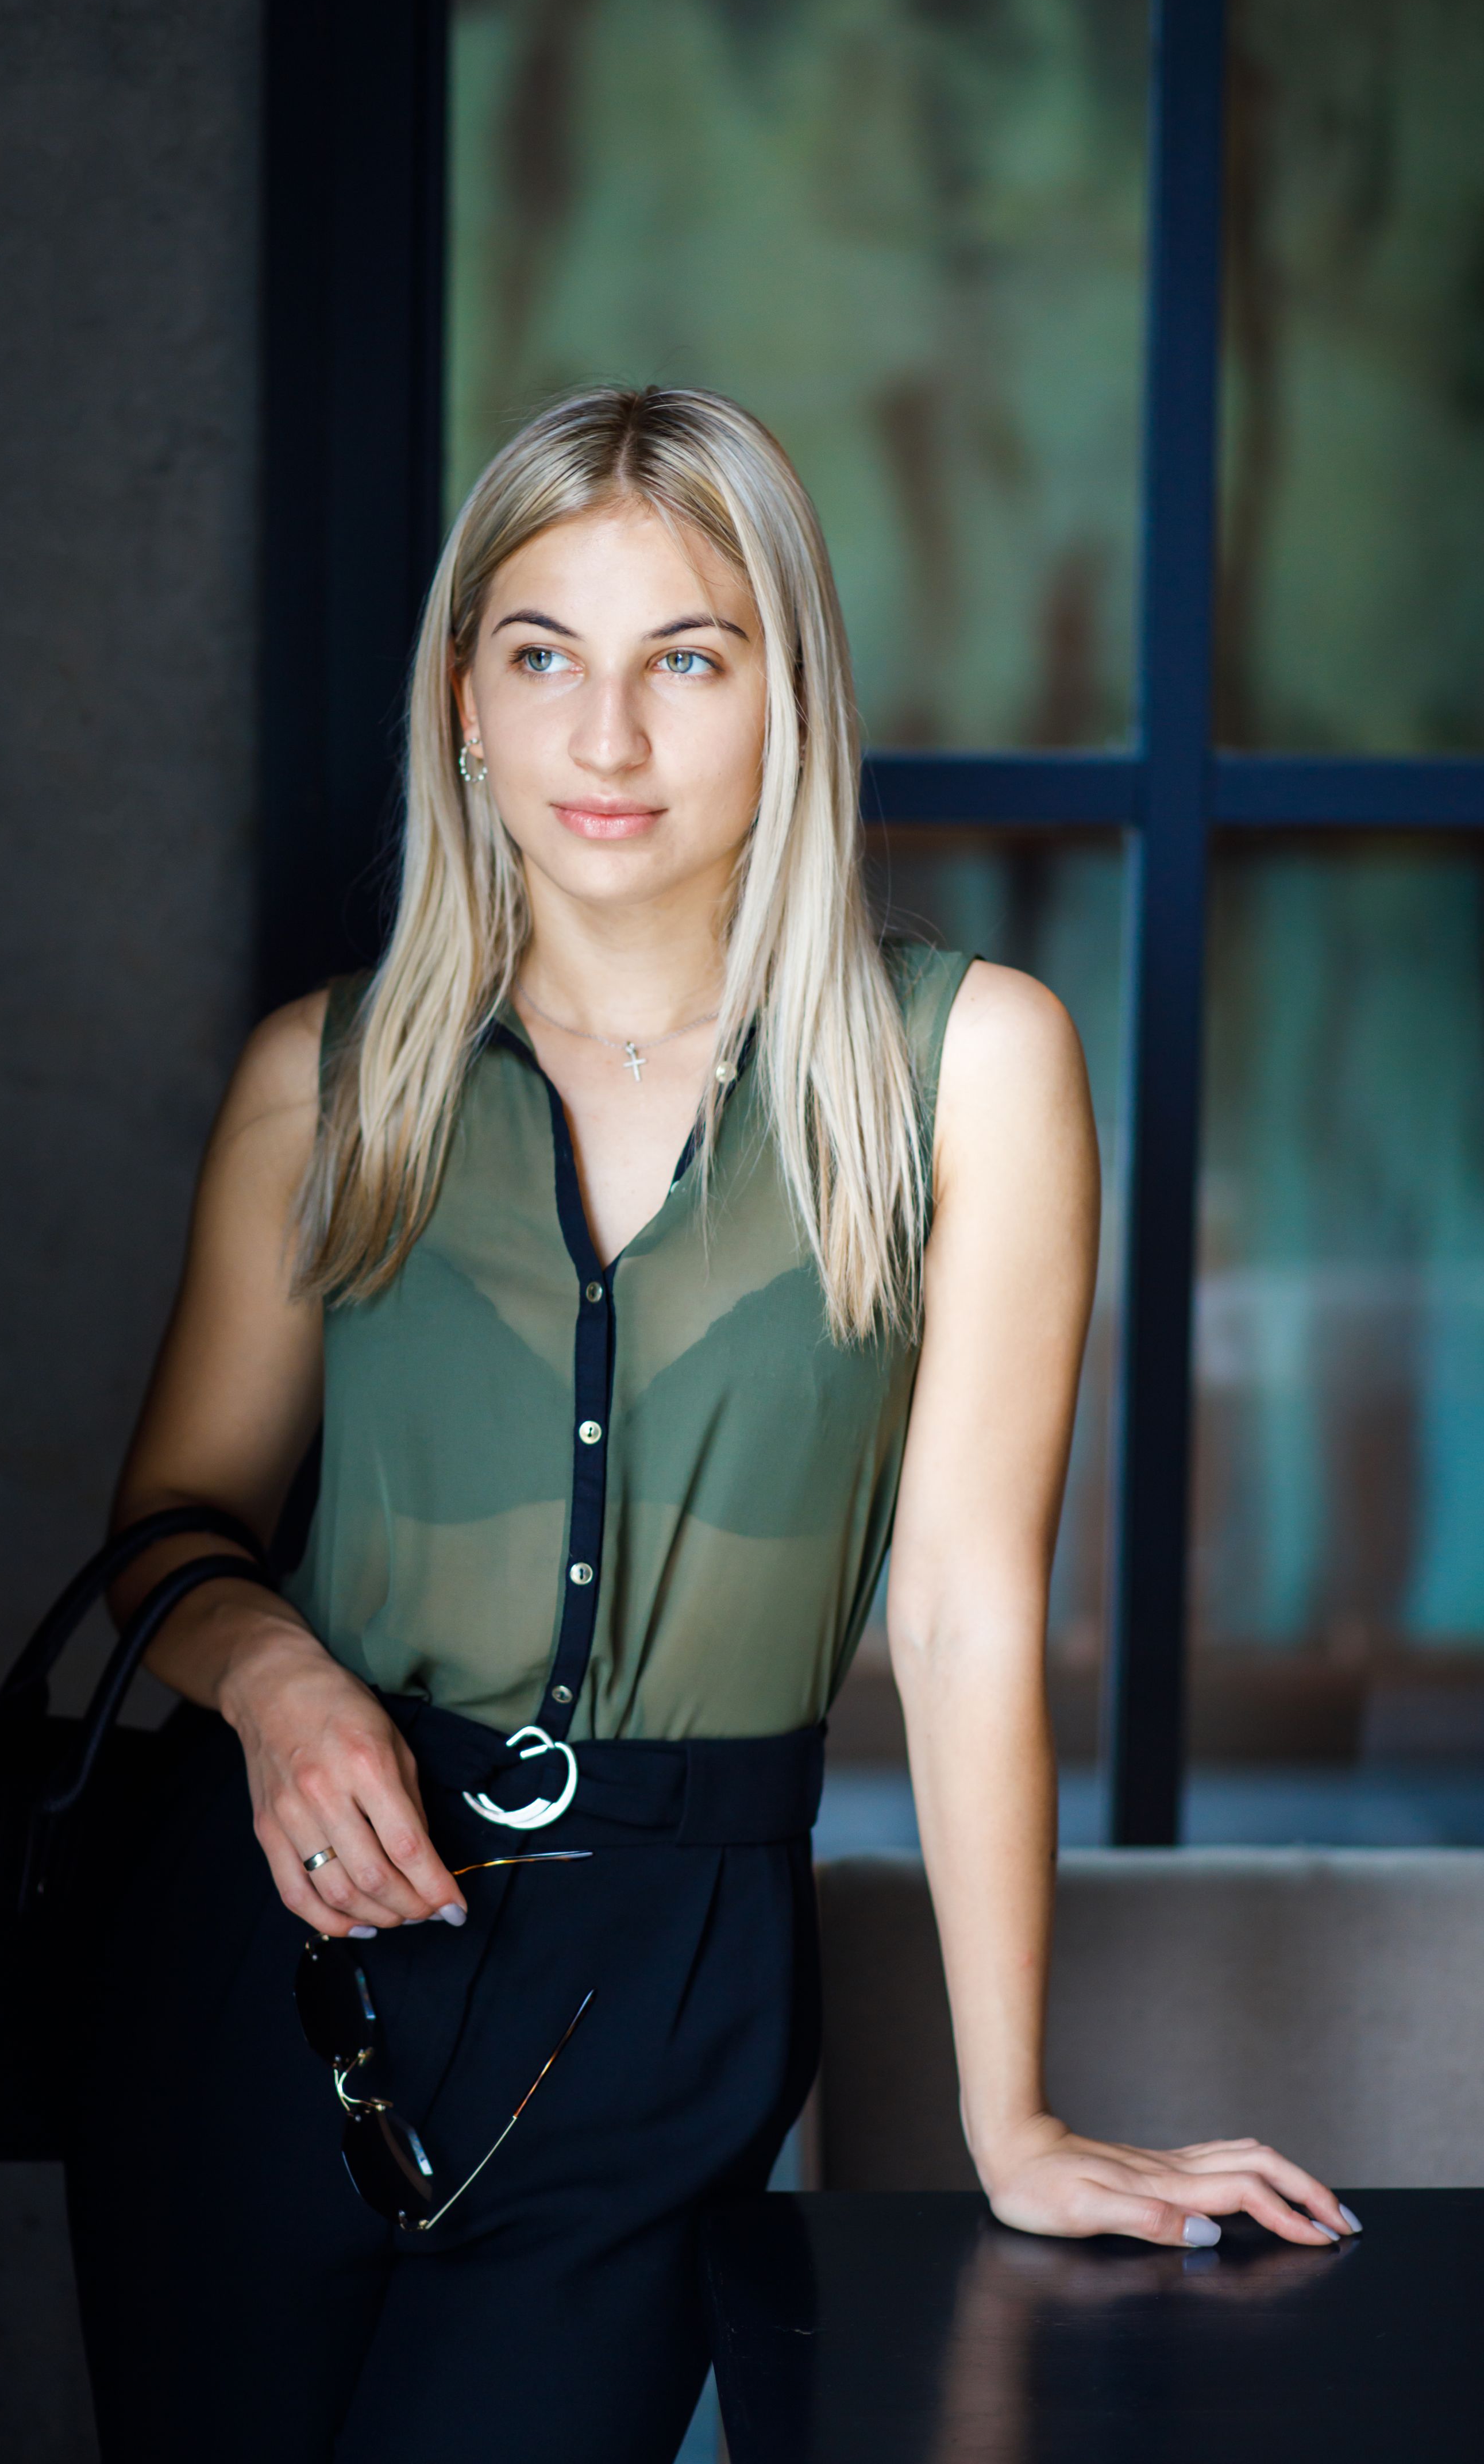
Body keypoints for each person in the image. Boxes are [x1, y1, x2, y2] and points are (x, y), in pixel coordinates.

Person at [65, 386, 1356, 2464]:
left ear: (792, 703)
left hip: (665, 1996)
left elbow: (956, 1612)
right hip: (266, 1962)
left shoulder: (968, 1072)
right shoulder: (330, 1080)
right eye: (540, 656)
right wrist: (281, 1681)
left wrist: (1006, 2117)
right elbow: (171, 1526)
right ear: (464, 708)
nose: (608, 739)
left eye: (688, 658)